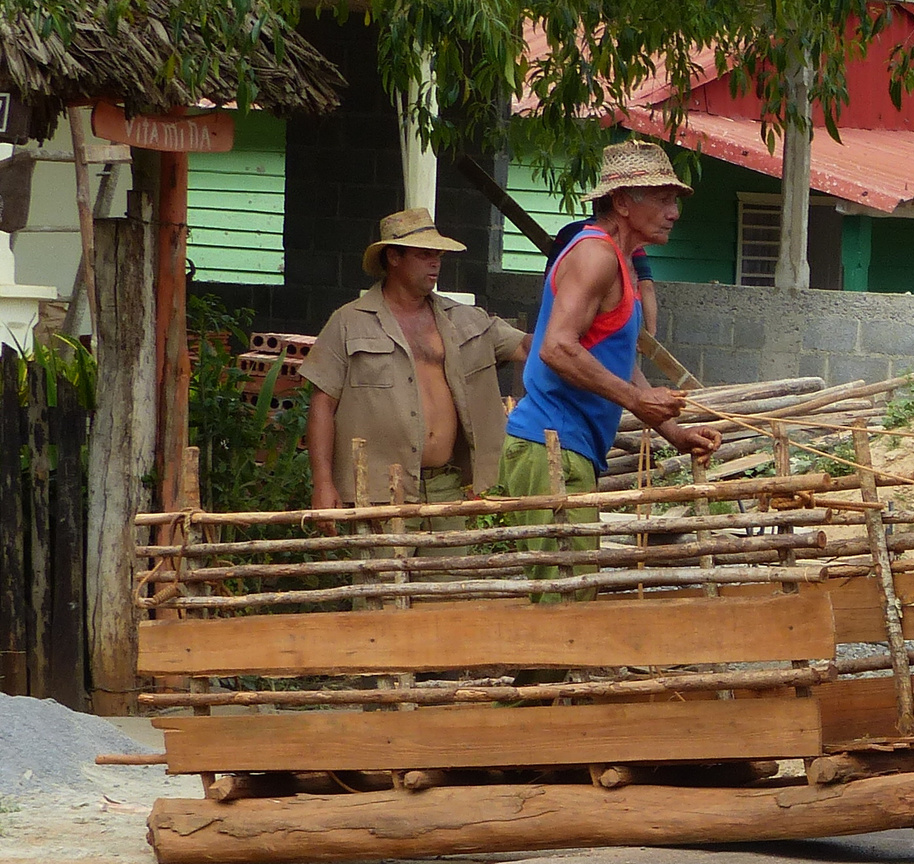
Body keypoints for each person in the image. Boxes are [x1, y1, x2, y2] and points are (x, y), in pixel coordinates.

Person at [500, 141, 720, 599]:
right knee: (566, 598)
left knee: (571, 593)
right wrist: (636, 400)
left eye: (673, 199)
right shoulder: (595, 255)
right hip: (550, 444)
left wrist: (674, 432)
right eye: (661, 198)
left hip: (565, 447)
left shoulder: (619, 264)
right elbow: (557, 349)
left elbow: (613, 360)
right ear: (621, 202)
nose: (673, 212)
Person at [302, 208, 530, 543]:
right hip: (377, 490)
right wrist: (323, 482)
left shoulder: (466, 320)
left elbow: (529, 348)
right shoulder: (349, 322)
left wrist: (581, 312)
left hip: (445, 484)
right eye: (424, 254)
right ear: (393, 257)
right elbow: (322, 405)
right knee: (382, 589)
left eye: (437, 255)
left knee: (443, 588)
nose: (435, 263)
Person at [552, 216, 658, 337]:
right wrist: (651, 331)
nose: (673, 214)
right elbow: (646, 286)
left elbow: (551, 274)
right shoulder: (602, 247)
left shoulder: (569, 231)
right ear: (621, 205)